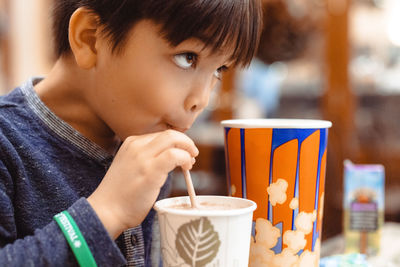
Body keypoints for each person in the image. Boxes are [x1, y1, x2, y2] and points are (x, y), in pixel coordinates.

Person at [0, 0, 262, 266]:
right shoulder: (6, 142)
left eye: (219, 69)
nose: (202, 99)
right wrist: (107, 212)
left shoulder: (144, 138)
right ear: (90, 38)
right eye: (187, 57)